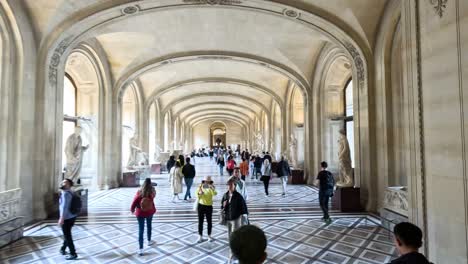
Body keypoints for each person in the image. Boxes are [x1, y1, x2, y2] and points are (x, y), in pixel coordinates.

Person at [221, 176, 249, 264]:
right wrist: (224, 205)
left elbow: (244, 209)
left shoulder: (239, 196)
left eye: (231, 185)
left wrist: (245, 220)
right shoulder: (225, 195)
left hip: (236, 220)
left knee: (235, 238)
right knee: (230, 238)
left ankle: (236, 256)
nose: (229, 186)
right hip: (229, 220)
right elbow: (222, 207)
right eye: (228, 185)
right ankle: (232, 255)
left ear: (234, 186)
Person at [130, 178, 156, 256]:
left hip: (140, 213)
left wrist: (132, 210)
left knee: (141, 230)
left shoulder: (139, 192)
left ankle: (141, 249)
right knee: (149, 226)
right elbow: (154, 196)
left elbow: (134, 202)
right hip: (149, 212)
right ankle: (149, 241)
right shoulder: (151, 192)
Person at [58, 178, 78, 260]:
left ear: (69, 185)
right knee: (67, 234)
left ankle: (73, 253)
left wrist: (61, 218)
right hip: (72, 216)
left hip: (66, 218)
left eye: (65, 183)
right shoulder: (71, 192)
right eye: (62, 182)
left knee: (67, 236)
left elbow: (64, 207)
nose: (63, 184)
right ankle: (62, 249)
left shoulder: (65, 194)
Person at [196, 176, 217, 243]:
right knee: (200, 221)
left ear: (210, 181)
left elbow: (215, 194)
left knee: (209, 222)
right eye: (205, 181)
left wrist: (212, 188)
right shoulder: (200, 186)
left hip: (209, 206)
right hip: (201, 205)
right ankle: (200, 236)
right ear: (203, 181)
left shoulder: (212, 186)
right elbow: (197, 194)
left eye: (208, 181)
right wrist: (199, 193)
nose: (206, 182)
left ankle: (209, 236)